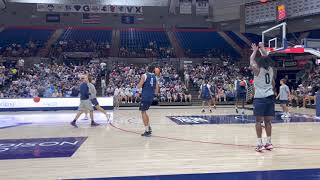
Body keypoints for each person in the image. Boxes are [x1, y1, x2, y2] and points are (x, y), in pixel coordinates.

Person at [250, 43, 275, 152]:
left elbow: (251, 60)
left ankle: (259, 144)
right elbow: (267, 58)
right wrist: (262, 48)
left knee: (258, 122)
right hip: (270, 97)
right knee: (268, 122)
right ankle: (268, 143)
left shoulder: (257, 70)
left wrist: (255, 51)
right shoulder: (270, 70)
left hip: (260, 98)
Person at [137, 65, 159, 137]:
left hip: (145, 96)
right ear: (153, 70)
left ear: (147, 69)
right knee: (145, 111)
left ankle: (147, 130)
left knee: (143, 112)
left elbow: (139, 86)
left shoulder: (144, 75)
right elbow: (156, 89)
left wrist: (138, 87)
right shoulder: (155, 77)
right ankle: (148, 127)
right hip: (151, 97)